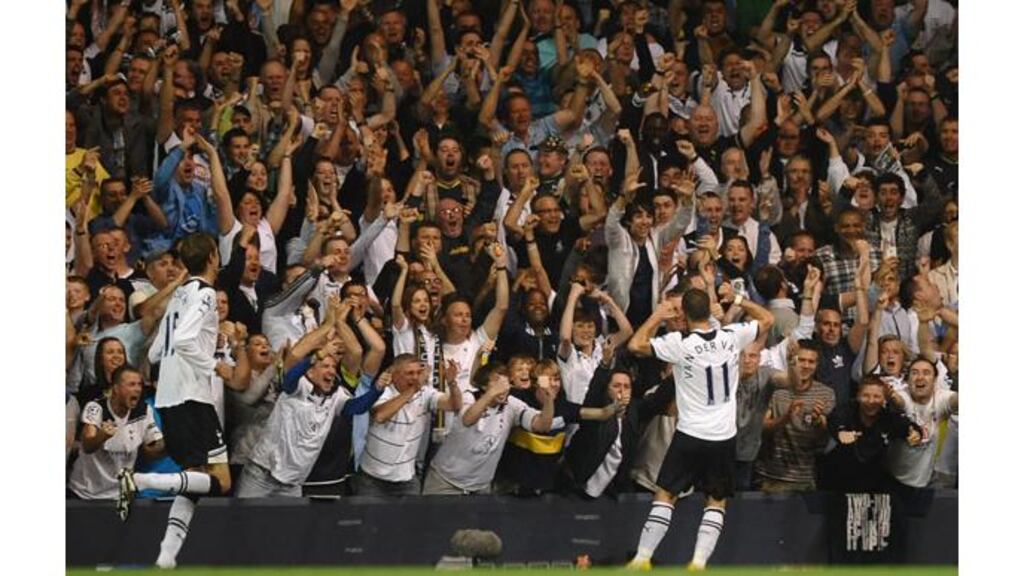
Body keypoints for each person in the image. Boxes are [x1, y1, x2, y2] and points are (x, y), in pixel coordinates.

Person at [625, 288, 773, 570]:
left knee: (666, 494)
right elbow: (767, 319)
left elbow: (635, 345)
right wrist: (739, 300)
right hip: (722, 436)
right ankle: (699, 561)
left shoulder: (680, 344)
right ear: (709, 310)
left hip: (689, 433)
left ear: (684, 314)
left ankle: (643, 557)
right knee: (715, 501)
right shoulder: (731, 336)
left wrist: (657, 316)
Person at [117, 233, 233, 569]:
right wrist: (216, 366)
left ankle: (166, 558)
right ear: (213, 256)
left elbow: (155, 351)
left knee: (194, 480)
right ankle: (139, 481)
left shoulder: (180, 294)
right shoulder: (205, 293)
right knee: (221, 481)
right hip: (191, 397)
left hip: (169, 397)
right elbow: (183, 340)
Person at [68, 366, 164, 499]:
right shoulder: (95, 408)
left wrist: (162, 445)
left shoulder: (144, 411)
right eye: (131, 384)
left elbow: (153, 448)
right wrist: (102, 436)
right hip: (85, 494)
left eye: (139, 384)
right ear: (116, 388)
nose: (137, 389)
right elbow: (87, 445)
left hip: (120, 495)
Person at [756, 340, 836, 492]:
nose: (806, 366)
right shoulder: (775, 389)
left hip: (804, 478)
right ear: (792, 361)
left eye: (811, 361)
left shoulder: (826, 394)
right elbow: (763, 428)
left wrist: (819, 422)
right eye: (801, 360)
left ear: (817, 364)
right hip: (770, 476)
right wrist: (786, 417)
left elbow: (821, 441)